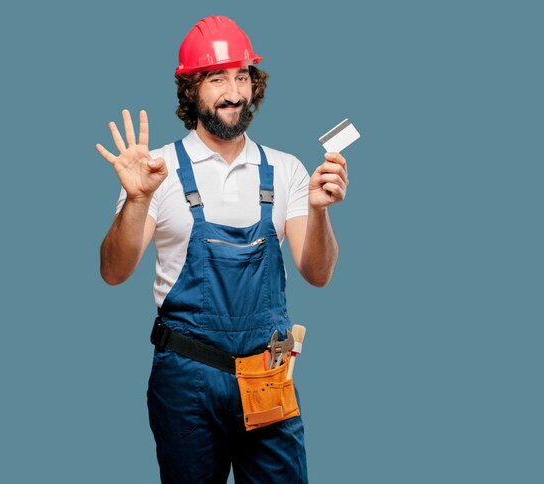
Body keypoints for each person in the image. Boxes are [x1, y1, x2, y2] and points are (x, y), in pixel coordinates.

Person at [96, 15, 348, 483]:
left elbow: (317, 273)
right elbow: (113, 271)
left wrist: (319, 210)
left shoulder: (287, 169)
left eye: (242, 76)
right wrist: (136, 199)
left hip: (268, 375)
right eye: (217, 78)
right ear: (191, 89)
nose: (234, 91)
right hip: (186, 380)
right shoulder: (157, 171)